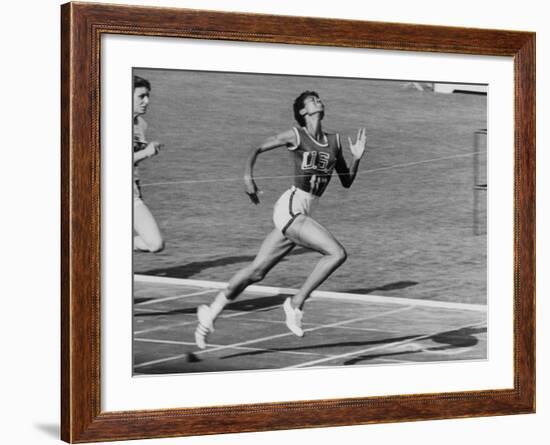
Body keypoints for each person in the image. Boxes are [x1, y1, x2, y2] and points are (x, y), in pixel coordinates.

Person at [194, 91, 367, 349]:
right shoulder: (296, 135)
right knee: (336, 253)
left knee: (257, 272)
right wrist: (247, 177)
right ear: (302, 112)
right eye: (312, 100)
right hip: (290, 207)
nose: (318, 101)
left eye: (319, 98)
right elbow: (257, 149)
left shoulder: (334, 141)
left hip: (304, 213)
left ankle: (211, 312)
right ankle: (295, 303)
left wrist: (357, 158)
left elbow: (346, 182)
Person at [133, 75, 164, 253]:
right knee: (154, 244)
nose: (147, 101)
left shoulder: (142, 124)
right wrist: (146, 152)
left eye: (148, 96)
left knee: (156, 244)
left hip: (132, 190)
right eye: (141, 96)